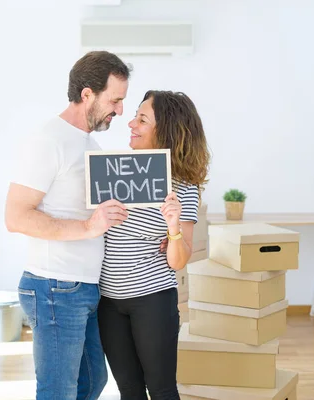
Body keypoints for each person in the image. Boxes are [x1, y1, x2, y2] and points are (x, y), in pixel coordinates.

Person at [4, 51, 132, 400]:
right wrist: (88, 228)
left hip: (85, 288)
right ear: (87, 94)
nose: (120, 110)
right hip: (54, 287)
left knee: (92, 383)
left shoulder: (90, 144)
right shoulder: (48, 140)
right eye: (115, 100)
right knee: (58, 391)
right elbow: (16, 217)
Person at [97, 90, 211, 400]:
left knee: (161, 390)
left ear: (167, 130)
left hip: (153, 300)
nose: (131, 123)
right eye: (135, 116)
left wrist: (173, 225)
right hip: (108, 301)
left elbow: (178, 260)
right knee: (129, 391)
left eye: (142, 119)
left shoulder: (183, 188)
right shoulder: (113, 173)